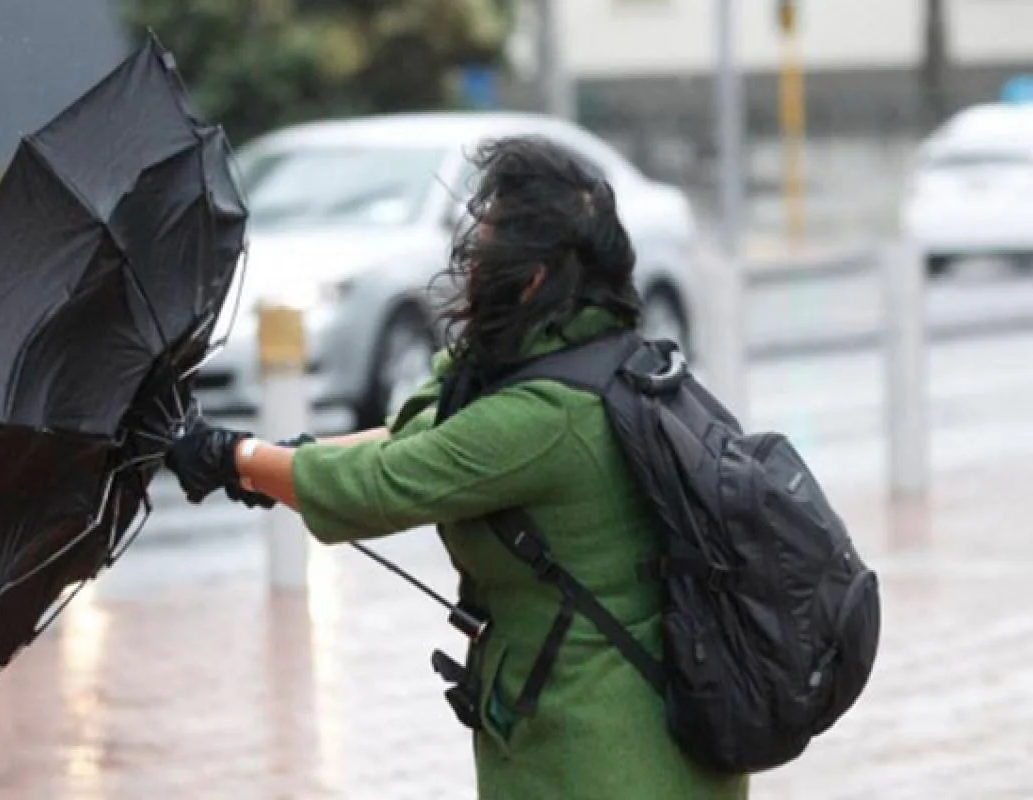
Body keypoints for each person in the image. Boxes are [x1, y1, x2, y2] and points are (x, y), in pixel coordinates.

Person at [164, 136, 749, 799]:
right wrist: (280, 462)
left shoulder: (547, 414)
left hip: (608, 758)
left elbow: (384, 486)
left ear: (532, 279)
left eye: (487, 249)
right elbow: (422, 433)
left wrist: (232, 457)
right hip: (607, 738)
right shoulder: (589, 360)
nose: (470, 264)